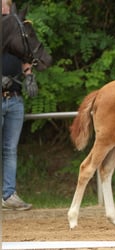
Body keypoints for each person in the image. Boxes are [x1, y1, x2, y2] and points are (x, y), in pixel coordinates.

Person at [2, 0, 38, 210]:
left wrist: (29, 76)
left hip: (14, 98)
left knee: (10, 150)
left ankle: (9, 195)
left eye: (8, 4)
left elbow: (26, 54)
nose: (6, 8)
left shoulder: (16, 29)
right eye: (3, 4)